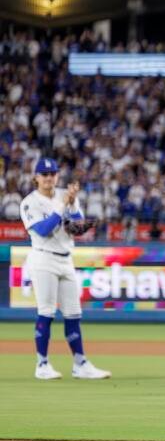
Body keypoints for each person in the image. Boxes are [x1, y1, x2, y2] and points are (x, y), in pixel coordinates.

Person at [20, 157, 111, 380]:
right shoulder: (29, 202)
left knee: (73, 313)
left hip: (65, 257)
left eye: (52, 174)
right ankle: (42, 364)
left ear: (57, 176)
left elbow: (77, 228)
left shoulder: (65, 196)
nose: (49, 178)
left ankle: (80, 363)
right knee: (47, 311)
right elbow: (42, 230)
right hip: (43, 259)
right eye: (44, 174)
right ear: (36, 178)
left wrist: (72, 204)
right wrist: (63, 205)